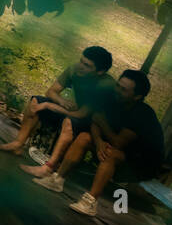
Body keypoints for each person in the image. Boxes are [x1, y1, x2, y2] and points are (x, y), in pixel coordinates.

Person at [21, 69, 165, 217]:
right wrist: (98, 141)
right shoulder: (112, 99)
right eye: (118, 85)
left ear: (137, 96)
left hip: (141, 165)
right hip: (117, 148)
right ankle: (57, 179)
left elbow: (117, 141)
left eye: (124, 90)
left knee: (110, 154)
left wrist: (102, 126)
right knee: (84, 137)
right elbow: (94, 122)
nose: (117, 90)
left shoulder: (142, 114)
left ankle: (90, 202)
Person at [0, 45, 114, 156]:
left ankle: (52, 165)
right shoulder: (75, 69)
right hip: (74, 113)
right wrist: (61, 102)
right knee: (36, 101)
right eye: (81, 61)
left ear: (100, 72)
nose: (81, 66)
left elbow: (83, 114)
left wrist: (51, 106)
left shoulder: (104, 85)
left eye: (87, 65)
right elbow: (51, 91)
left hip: (92, 125)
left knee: (67, 120)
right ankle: (18, 143)